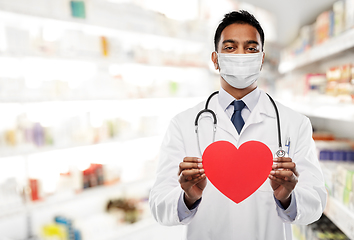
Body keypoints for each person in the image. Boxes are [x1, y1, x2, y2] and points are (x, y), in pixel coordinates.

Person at [149, 10, 327, 240]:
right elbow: (158, 205)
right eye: (230, 47)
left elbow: (315, 202)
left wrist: (287, 198)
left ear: (262, 59)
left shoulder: (295, 123)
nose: (241, 55)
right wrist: (187, 198)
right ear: (215, 59)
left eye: (251, 48)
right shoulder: (183, 124)